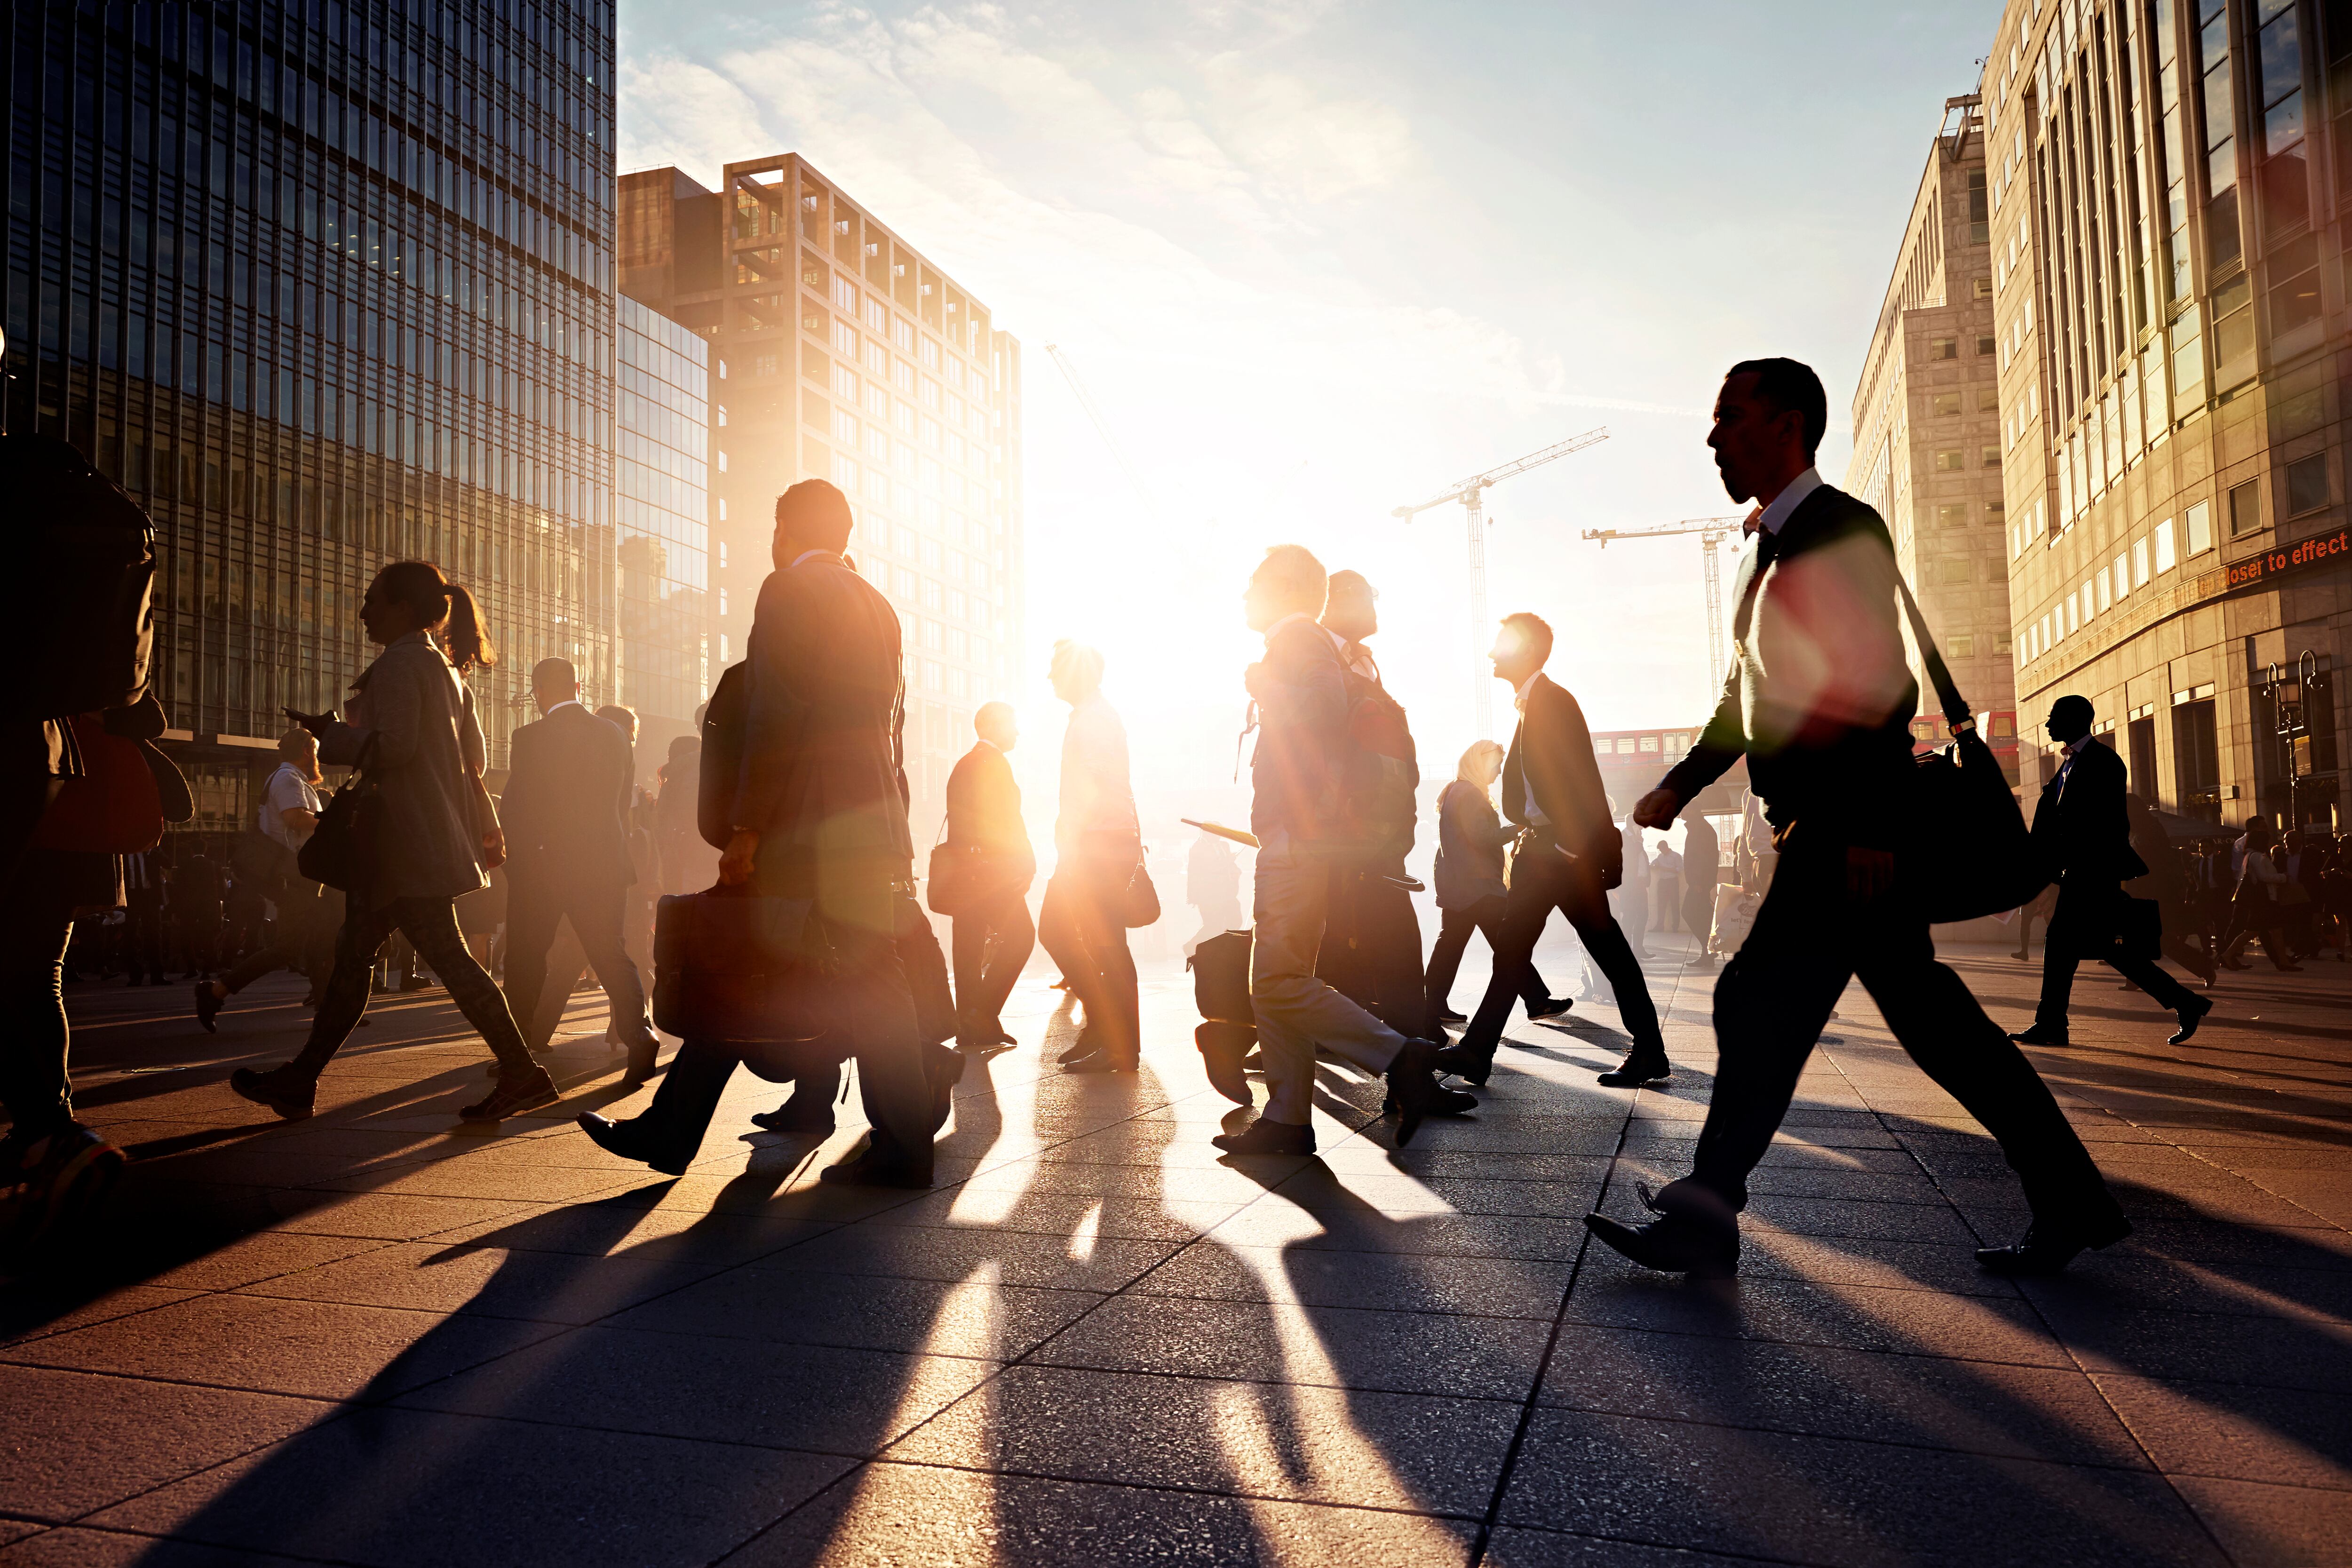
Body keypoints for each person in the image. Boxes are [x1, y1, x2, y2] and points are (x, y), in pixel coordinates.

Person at [1592, 356, 2128, 1280]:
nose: (1715, 437)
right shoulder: (1769, 548)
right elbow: (1746, 695)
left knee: (1756, 1001)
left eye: (1732, 417)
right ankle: (2071, 1199)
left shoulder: (1839, 528)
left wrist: (1874, 826)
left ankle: (1706, 1214)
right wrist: (1682, 783)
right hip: (1830, 830)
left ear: (1789, 424)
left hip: (1845, 831)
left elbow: (1880, 683)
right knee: (1933, 1025)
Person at [577, 479, 942, 1186]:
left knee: (743, 963)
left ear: (784, 530)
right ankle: (900, 1144)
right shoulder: (879, 605)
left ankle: (673, 1130)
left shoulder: (788, 591)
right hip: (869, 823)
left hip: (806, 824)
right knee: (865, 984)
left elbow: (777, 717)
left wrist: (747, 827)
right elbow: (891, 730)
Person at [229, 560, 557, 1123]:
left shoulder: (403, 662)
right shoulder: (444, 668)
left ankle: (522, 1073)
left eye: (372, 601)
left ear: (404, 608)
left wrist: (330, 734)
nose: (362, 613)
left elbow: (398, 746)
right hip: (416, 841)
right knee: (356, 956)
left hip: (403, 845)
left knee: (443, 962)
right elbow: (469, 758)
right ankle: (300, 1080)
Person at [1210, 545, 1470, 1156]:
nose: (1243, 595)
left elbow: (1322, 713)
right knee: (1278, 978)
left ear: (1284, 588)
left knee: (1275, 981)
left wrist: (1265, 684)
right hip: (1300, 836)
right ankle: (1287, 1118)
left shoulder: (1297, 638)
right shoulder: (1305, 641)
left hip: (1296, 840)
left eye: (1253, 583)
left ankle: (1399, 1055)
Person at [1451, 613, 1670, 1089]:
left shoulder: (1552, 702)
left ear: (1525, 649)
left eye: (1500, 644)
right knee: (1516, 952)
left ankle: (1648, 1049)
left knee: (1602, 949)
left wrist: (1573, 848)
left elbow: (1580, 776)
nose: (1491, 653)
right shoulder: (1530, 706)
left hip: (1559, 854)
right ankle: (1475, 1052)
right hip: (1541, 853)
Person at [2007, 698, 2212, 1049]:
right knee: (2099, 949)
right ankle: (2186, 1002)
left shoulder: (2103, 762)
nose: (2048, 724)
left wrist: (2066, 865)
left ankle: (2052, 1024)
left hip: (2091, 874)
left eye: (2054, 717)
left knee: (2063, 945)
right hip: (2080, 874)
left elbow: (2102, 824)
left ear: (2075, 719)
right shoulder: (2069, 765)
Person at [494, 660, 660, 1083]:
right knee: (611, 951)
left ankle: (518, 1049)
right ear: (578, 686)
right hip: (604, 862)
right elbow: (623, 803)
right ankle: (639, 1033)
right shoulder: (615, 734)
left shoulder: (529, 736)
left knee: (527, 957)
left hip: (544, 865)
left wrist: (517, 861)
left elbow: (518, 806)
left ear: (538, 691)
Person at [1308, 570, 1430, 1035]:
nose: (1374, 605)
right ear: (1340, 599)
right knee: (1344, 929)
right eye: (1367, 596)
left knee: (1361, 927)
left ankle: (1397, 1032)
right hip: (1340, 827)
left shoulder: (1363, 662)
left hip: (1377, 826)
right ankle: (1398, 1036)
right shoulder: (1319, 654)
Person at [1038, 639, 1142, 1074]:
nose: (1049, 678)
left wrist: (1072, 839)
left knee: (1103, 945)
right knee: (1068, 934)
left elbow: (1098, 785)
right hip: (1093, 843)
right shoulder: (1089, 716)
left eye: (1056, 670)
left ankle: (1118, 1042)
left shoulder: (1096, 719)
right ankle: (1105, 1028)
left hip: (1096, 846)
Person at [1422, 739, 1567, 1033]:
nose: (1499, 771)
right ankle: (1537, 1001)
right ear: (1481, 763)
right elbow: (1482, 837)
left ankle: (1432, 1005)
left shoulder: (1457, 790)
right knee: (1508, 943)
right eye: (1497, 764)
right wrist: (1520, 828)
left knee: (1451, 945)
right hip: (1477, 885)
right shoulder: (1469, 794)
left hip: (1461, 883)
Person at [194, 729, 330, 1029]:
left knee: (324, 940)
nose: (318, 757)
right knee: (289, 947)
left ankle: (329, 1009)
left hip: (304, 874)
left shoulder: (292, 779)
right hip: (295, 875)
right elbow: (295, 819)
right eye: (316, 751)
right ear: (308, 751)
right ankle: (216, 991)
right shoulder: (287, 779)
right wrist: (332, 821)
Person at [943, 701, 1036, 1055]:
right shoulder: (992, 763)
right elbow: (1005, 821)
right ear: (995, 726)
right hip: (991, 874)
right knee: (1022, 937)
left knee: (967, 948)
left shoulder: (967, 762)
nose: (1017, 732)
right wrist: (1024, 860)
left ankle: (971, 1026)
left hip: (967, 873)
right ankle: (983, 1014)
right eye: (1012, 724)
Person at [2125, 793, 2217, 987]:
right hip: (2142, 891)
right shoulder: (2137, 830)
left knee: (2162, 940)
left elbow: (2154, 862)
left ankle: (2204, 966)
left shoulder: (2148, 831)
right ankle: (2133, 977)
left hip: (2153, 892)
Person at [2221, 819, 2300, 971]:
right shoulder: (2257, 857)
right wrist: (2283, 877)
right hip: (2263, 899)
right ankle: (2227, 955)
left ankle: (2283, 961)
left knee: (2275, 930)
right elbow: (2263, 877)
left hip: (2264, 898)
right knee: (2254, 930)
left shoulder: (2252, 856)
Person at [654, 734, 721, 893]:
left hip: (680, 851)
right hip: (700, 852)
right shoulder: (698, 769)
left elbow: (661, 817)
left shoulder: (674, 775)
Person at [1184, 831, 1243, 955]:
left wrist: (1235, 870)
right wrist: (1228, 861)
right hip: (1207, 894)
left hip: (1227, 892)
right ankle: (1193, 947)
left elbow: (1230, 865)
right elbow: (1207, 870)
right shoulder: (1197, 848)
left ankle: (1221, 948)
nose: (1220, 835)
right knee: (1212, 925)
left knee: (1235, 919)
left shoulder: (1224, 845)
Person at [1681, 807, 1721, 965]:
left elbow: (1701, 858)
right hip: (1702, 881)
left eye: (1684, 809)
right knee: (1703, 915)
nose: (1681, 812)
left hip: (1700, 882)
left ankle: (1709, 949)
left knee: (1689, 913)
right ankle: (1708, 952)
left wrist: (1697, 881)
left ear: (1692, 811)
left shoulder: (1700, 829)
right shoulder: (1699, 827)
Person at [1650, 841, 1683, 932]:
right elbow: (1653, 863)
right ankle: (1660, 926)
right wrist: (1654, 866)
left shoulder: (1676, 856)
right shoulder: (1660, 857)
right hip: (1663, 882)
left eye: (1661, 849)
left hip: (1673, 881)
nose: (1661, 851)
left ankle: (1675, 927)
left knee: (1674, 905)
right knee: (1661, 905)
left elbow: (1680, 869)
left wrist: (1667, 869)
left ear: (1666, 847)